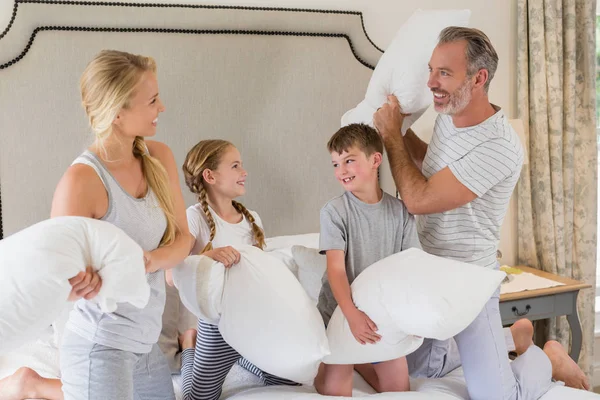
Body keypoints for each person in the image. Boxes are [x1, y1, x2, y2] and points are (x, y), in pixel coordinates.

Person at [372, 27, 588, 399]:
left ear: (479, 79)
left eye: (444, 73)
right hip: (426, 274)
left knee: (498, 398)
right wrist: (401, 129)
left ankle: (547, 357)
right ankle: (503, 339)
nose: (431, 83)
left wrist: (391, 135)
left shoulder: (500, 148)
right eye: (431, 70)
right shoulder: (449, 116)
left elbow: (418, 198)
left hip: (468, 282)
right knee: (414, 368)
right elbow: (430, 168)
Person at [0, 49, 192, 400]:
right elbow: (61, 290)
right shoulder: (81, 183)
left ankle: (34, 384)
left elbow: (184, 237)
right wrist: (81, 282)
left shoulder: (159, 157)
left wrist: (149, 260)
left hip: (146, 345)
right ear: (118, 112)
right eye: (152, 100)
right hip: (100, 346)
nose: (162, 107)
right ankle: (29, 385)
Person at [173, 139, 298, 400]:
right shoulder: (193, 218)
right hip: (216, 326)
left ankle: (241, 357)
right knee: (196, 399)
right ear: (210, 176)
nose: (245, 172)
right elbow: (170, 275)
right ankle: (188, 348)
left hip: (253, 319)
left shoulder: (252, 219)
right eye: (235, 166)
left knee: (287, 380)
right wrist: (209, 256)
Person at [313, 123, 421, 397]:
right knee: (335, 390)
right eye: (336, 164)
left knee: (399, 390)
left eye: (349, 161)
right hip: (340, 312)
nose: (341, 171)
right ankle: (333, 367)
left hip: (381, 313)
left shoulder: (400, 212)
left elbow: (410, 269)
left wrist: (408, 318)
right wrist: (351, 315)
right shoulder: (334, 212)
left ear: (375, 160)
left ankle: (362, 361)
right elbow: (336, 271)